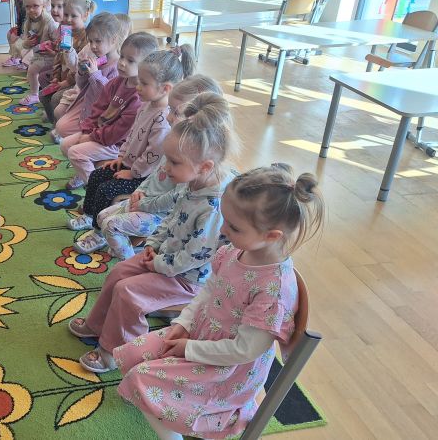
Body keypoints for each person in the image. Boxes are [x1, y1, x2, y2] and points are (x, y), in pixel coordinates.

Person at [113, 163, 325, 440]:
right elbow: (208, 292)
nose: (222, 229)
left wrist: (190, 348)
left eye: (234, 227)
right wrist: (184, 323)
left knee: (140, 379)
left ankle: (170, 421)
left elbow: (243, 351)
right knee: (134, 355)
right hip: (201, 336)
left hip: (226, 372)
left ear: (271, 236)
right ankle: (155, 403)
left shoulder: (274, 290)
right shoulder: (235, 251)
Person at [67, 92, 240, 373]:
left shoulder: (213, 205)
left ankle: (116, 351)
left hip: (188, 279)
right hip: (165, 259)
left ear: (205, 166)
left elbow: (195, 256)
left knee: (128, 293)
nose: (166, 168)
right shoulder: (192, 182)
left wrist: (158, 263)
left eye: (174, 163)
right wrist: (153, 244)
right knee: (120, 271)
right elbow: (170, 216)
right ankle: (97, 325)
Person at [66, 58, 198, 254]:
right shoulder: (145, 106)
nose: (137, 87)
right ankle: (90, 214)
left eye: (144, 83)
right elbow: (131, 136)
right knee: (96, 176)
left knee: (106, 190)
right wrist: (121, 157)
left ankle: (99, 234)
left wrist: (133, 172)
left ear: (165, 89)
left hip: (142, 174)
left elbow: (152, 156)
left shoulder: (163, 120)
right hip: (130, 165)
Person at [85, 75, 224, 260]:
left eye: (175, 111)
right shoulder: (175, 143)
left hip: (160, 214)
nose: (168, 116)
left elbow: (174, 198)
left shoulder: (191, 163)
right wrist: (140, 191)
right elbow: (155, 172)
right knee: (102, 216)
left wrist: (143, 203)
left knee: (111, 225)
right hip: (146, 201)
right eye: (170, 109)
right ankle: (126, 247)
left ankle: (130, 261)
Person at [59, 32, 164, 190]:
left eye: (130, 61)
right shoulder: (116, 82)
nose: (122, 63)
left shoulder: (139, 96)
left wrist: (91, 137)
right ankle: (84, 173)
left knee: (75, 153)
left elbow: (119, 131)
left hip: (117, 145)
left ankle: (95, 187)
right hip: (101, 135)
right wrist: (88, 131)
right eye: (122, 57)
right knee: (65, 145)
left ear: (146, 67)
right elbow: (97, 109)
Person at [50, 11, 124, 140]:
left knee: (62, 128)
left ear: (113, 40)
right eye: (90, 41)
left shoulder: (117, 67)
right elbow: (82, 85)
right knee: (59, 116)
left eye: (98, 41)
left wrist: (95, 74)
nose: (93, 46)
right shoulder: (99, 57)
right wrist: (82, 72)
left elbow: (108, 95)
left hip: (98, 112)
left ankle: (82, 139)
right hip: (86, 102)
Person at [39, 0, 95, 123]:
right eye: (66, 14)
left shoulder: (87, 38)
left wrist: (67, 82)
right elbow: (58, 58)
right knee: (43, 93)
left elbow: (79, 66)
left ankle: (59, 124)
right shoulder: (65, 32)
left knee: (55, 98)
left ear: (85, 15)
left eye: (73, 16)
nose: (68, 19)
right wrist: (55, 77)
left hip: (76, 82)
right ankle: (53, 116)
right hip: (63, 76)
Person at [4, 0, 56, 73]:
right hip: (38, 53)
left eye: (35, 6)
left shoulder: (49, 22)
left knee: (30, 58)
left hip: (49, 55)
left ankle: (36, 71)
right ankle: (33, 71)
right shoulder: (28, 22)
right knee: (22, 49)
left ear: (43, 5)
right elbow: (25, 41)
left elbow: (56, 42)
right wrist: (27, 43)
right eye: (28, 7)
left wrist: (45, 47)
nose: (31, 10)